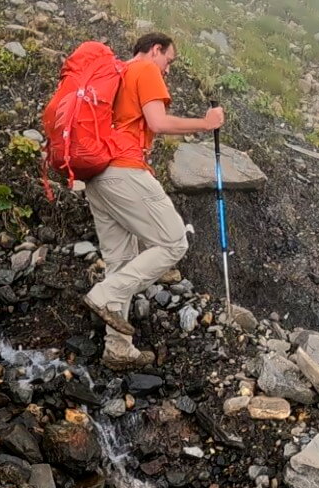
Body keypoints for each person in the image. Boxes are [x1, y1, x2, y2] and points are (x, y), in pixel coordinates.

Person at [83, 32, 225, 370]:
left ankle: (118, 349)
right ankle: (105, 294)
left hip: (97, 177)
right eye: (169, 60)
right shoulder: (145, 69)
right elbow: (157, 122)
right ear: (155, 50)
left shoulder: (115, 73)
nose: (168, 69)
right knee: (174, 241)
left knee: (121, 261)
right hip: (124, 169)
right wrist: (206, 124)